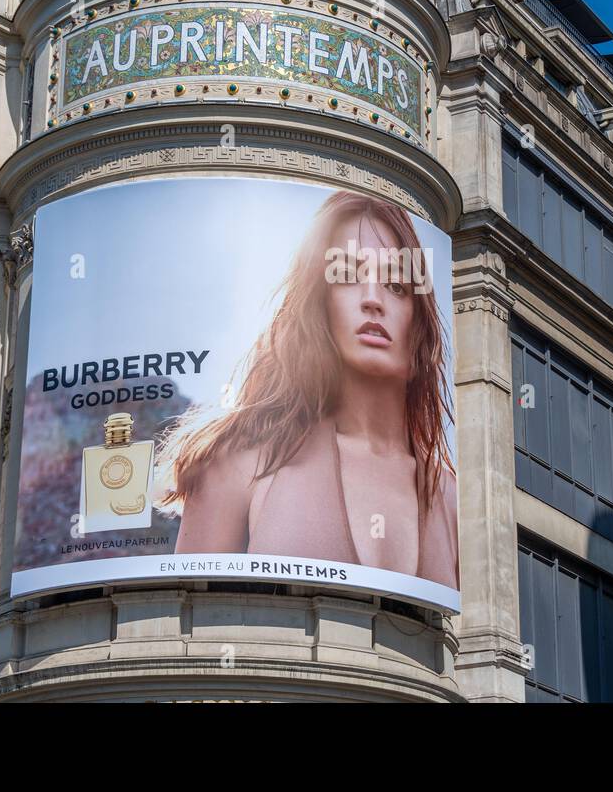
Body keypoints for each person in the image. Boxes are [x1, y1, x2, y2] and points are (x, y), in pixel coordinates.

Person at [156, 191, 458, 588]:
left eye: (397, 286)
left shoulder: (451, 495)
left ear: (417, 320)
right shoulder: (238, 460)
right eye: (348, 277)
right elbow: (189, 626)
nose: (372, 300)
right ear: (319, 299)